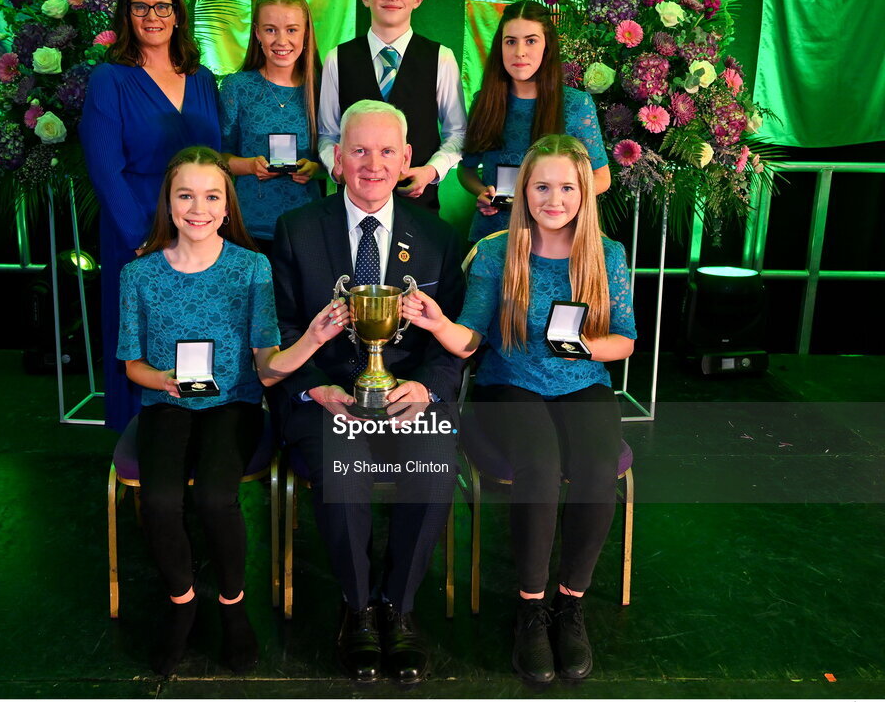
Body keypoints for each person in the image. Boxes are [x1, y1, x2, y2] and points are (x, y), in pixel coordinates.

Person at [402, 135, 636, 684]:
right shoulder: (495, 251)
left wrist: (585, 347)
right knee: (538, 464)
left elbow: (624, 340)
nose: (553, 199)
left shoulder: (608, 255)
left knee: (597, 469)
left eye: (566, 187)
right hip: (509, 385)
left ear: (584, 192)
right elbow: (471, 338)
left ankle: (570, 602)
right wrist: (439, 323)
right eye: (541, 186)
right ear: (523, 189)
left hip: (583, 382)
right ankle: (531, 607)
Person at [118, 146, 349, 678]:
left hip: (235, 402)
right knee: (158, 499)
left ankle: (232, 604)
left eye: (211, 196)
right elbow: (131, 364)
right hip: (167, 401)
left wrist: (311, 339)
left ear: (228, 206)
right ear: (169, 203)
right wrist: (164, 381)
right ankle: (181, 602)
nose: (198, 208)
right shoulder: (140, 274)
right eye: (186, 196)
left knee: (219, 497)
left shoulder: (252, 268)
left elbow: (267, 365)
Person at [270, 100, 466, 684]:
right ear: (337, 160)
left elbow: (449, 339)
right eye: (359, 150)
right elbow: (278, 331)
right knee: (343, 465)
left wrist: (427, 391)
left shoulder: (437, 236)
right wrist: (316, 389)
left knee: (435, 466)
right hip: (325, 397)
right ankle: (357, 609)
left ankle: (398, 609)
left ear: (407, 158)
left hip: (408, 396)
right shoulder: (296, 230)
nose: (372, 164)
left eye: (386, 152)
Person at [80, 0, 221, 432]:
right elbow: (104, 168)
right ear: (127, 15)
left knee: (196, 328)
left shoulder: (200, 77)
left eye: (163, 6)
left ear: (178, 14)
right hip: (137, 228)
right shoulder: (110, 79)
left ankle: (199, 432)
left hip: (198, 229)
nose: (152, 16)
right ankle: (139, 443)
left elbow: (215, 158)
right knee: (141, 338)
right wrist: (144, 238)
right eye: (141, 7)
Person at [317, 0, 466, 210]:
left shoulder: (441, 58)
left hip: (419, 206)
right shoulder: (337, 58)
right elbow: (327, 134)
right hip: (352, 205)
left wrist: (430, 171)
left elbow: (457, 133)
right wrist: (336, 168)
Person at [459, 0, 611, 244]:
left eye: (530, 41)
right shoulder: (485, 101)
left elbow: (602, 178)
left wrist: (557, 200)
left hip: (555, 239)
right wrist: (482, 193)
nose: (519, 52)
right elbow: (466, 171)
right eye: (511, 41)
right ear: (500, 47)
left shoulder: (576, 104)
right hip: (494, 236)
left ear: (546, 46)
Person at [220, 0, 323, 254]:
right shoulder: (237, 87)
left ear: (306, 33)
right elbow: (218, 156)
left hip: (307, 227)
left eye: (291, 29)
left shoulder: (322, 89)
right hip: (248, 228)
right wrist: (249, 166)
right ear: (256, 33)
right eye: (270, 30)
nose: (281, 40)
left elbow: (338, 159)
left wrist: (315, 168)